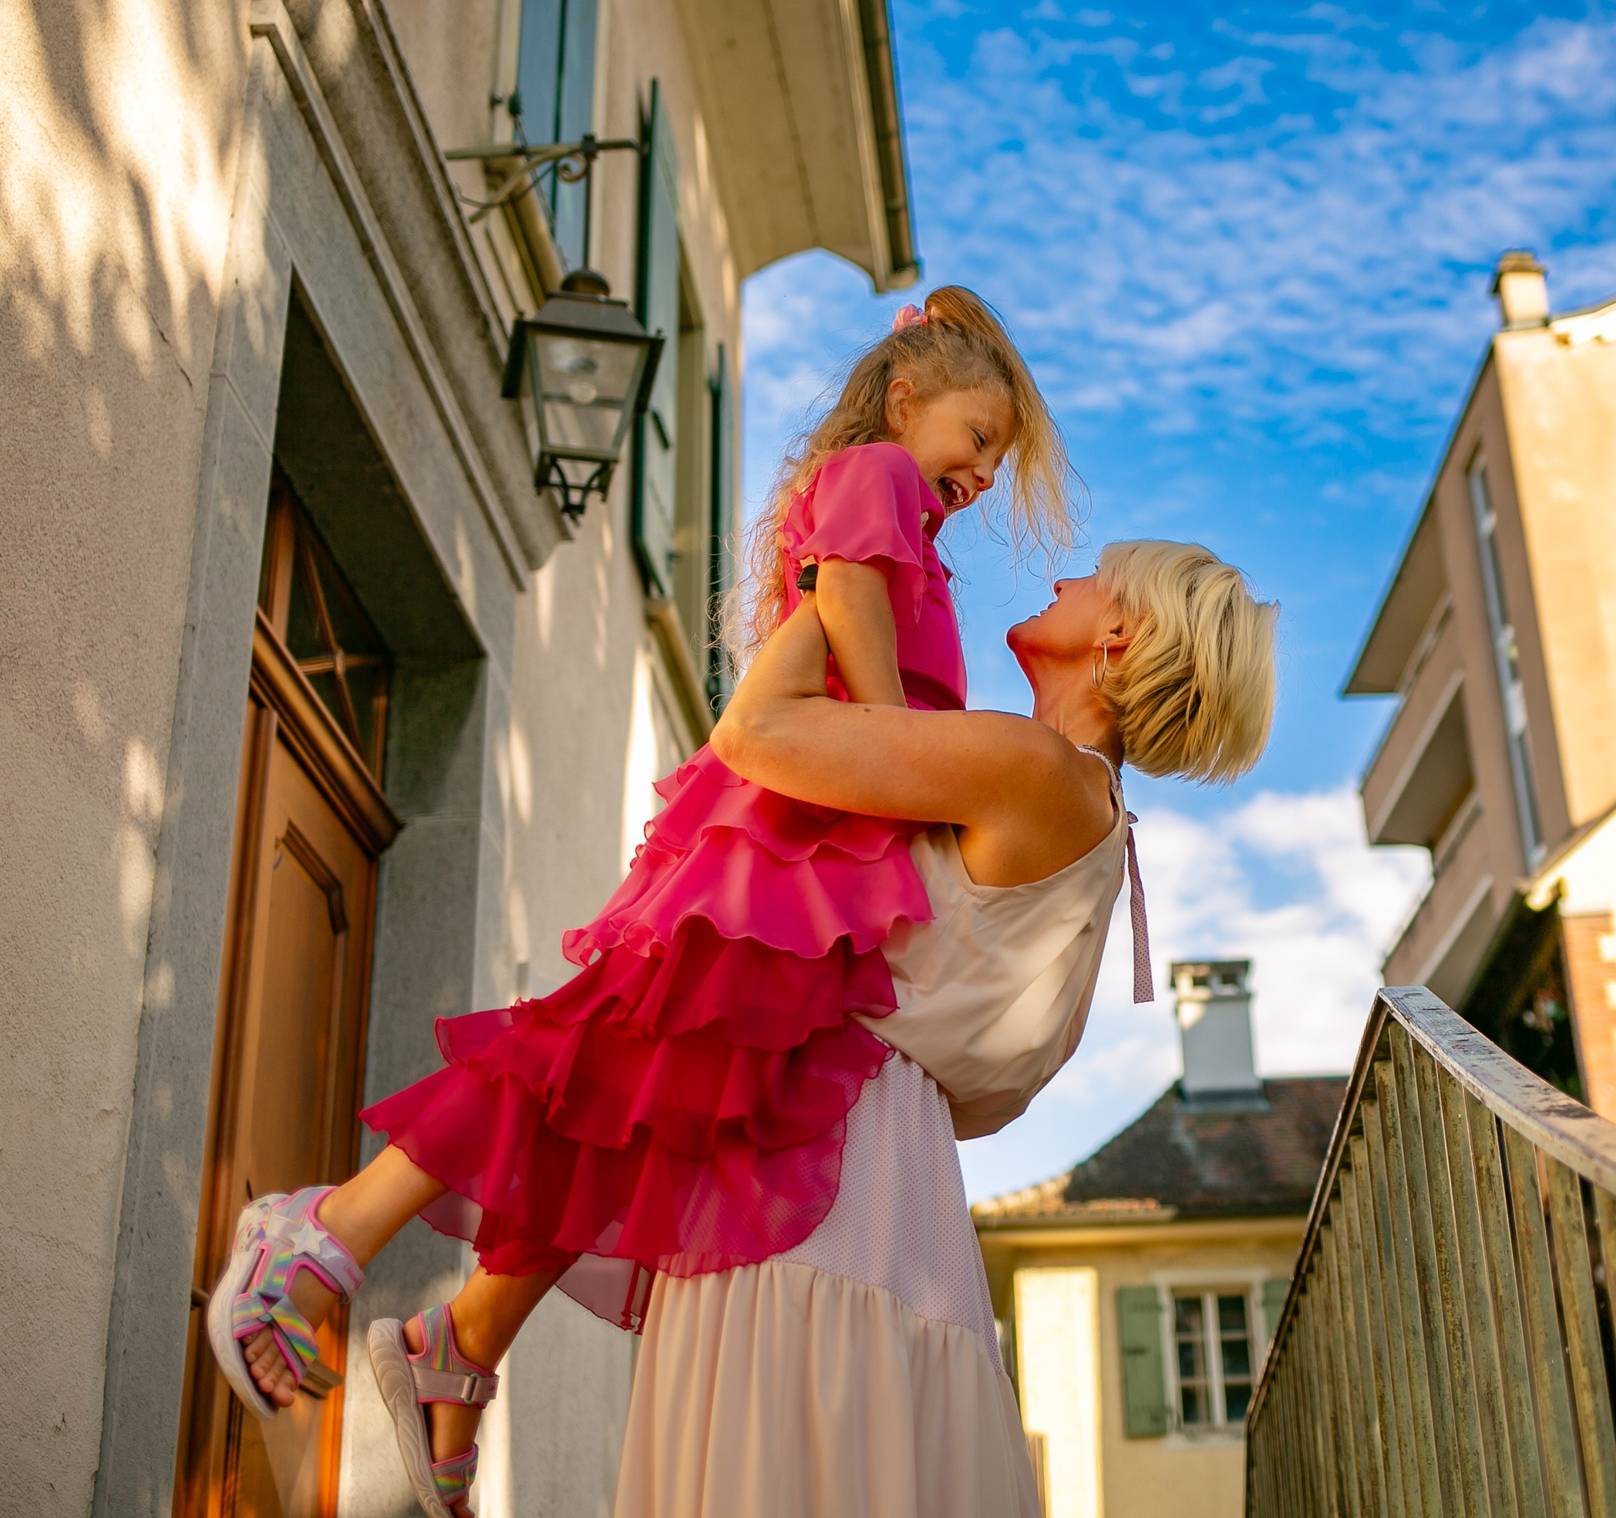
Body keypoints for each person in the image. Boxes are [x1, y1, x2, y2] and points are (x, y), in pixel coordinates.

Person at [197, 288, 1070, 1518]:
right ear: (908, 396)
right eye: (980, 438)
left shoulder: (911, 522)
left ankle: (462, 1344)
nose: (982, 471)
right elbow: (854, 625)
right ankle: (324, 1230)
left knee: (651, 1110)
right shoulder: (876, 473)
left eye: (998, 458)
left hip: (816, 870)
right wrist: (908, 769)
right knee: (593, 1056)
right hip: (778, 864)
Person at [614, 538, 1278, 1517]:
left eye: (1091, 578)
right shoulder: (1088, 812)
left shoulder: (1030, 766)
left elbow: (755, 733)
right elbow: (996, 1089)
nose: (1062, 580)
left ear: (1117, 631)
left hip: (820, 1166)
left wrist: (831, 571)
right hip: (901, 1181)